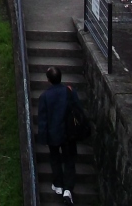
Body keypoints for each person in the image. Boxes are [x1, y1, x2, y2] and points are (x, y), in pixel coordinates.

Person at [37, 66, 78, 202]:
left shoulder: (45, 96)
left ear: (48, 80)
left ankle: (58, 184)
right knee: (69, 160)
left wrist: (43, 137)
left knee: (55, 158)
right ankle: (68, 189)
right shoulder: (69, 92)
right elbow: (77, 109)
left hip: (53, 133)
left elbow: (43, 119)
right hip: (69, 133)